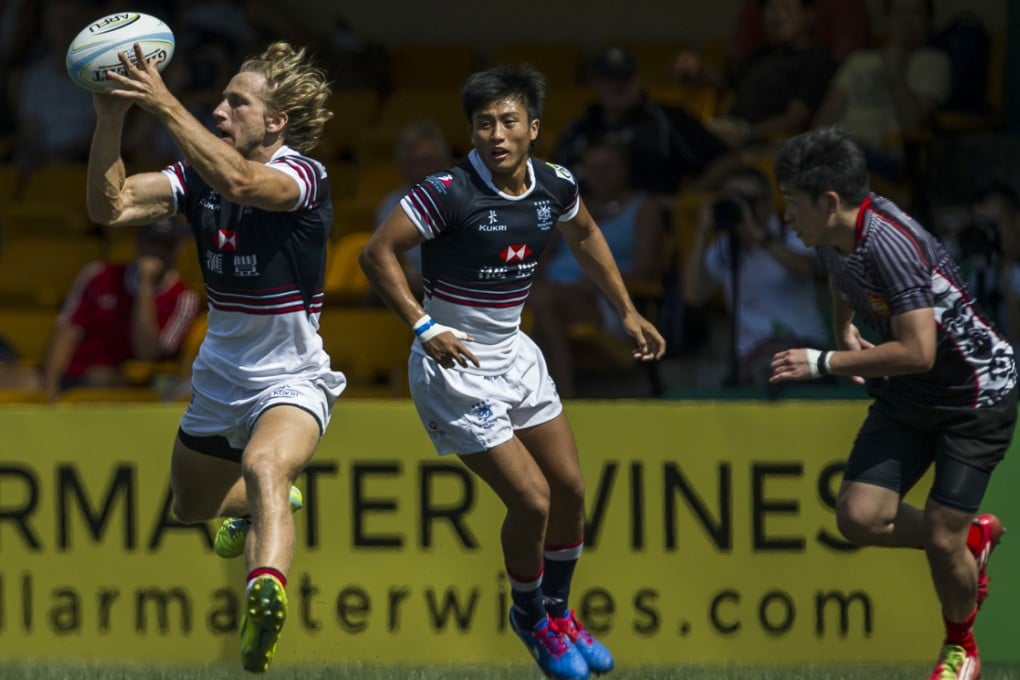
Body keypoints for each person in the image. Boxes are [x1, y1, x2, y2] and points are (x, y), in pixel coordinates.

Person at [359, 64, 665, 679]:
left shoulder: (554, 184)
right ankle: (528, 615)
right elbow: (376, 253)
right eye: (482, 123)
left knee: (572, 491)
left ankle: (557, 610)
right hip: (455, 363)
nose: (495, 134)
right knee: (532, 499)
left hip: (516, 354)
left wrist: (626, 311)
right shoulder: (448, 190)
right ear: (470, 131)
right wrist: (425, 326)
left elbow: (585, 235)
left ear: (533, 127)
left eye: (507, 121)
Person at [85, 41, 344, 673]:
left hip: (293, 378)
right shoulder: (192, 177)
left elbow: (241, 180)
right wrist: (112, 118)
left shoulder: (303, 175)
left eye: (237, 101)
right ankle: (267, 503)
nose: (221, 110)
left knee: (264, 465)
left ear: (275, 121)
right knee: (191, 507)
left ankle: (266, 594)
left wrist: (165, 102)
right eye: (222, 99)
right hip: (220, 380)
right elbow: (108, 206)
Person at [769, 127, 1016, 680]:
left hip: (975, 396)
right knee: (859, 517)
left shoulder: (890, 244)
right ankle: (971, 537)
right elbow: (842, 277)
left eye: (791, 203)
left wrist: (824, 363)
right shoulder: (838, 233)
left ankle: (962, 649)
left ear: (828, 202)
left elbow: (919, 350)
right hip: (912, 393)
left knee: (939, 536)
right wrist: (844, 331)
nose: (785, 216)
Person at [529, 134, 666, 398]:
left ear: (624, 170)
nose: (600, 175)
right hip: (553, 295)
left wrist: (595, 282)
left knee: (542, 299)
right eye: (593, 169)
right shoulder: (571, 206)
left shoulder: (643, 207)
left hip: (608, 302)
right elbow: (539, 261)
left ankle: (562, 398)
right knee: (523, 297)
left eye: (608, 168)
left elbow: (647, 268)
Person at [683, 164, 827, 388]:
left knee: (776, 367)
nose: (739, 207)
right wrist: (702, 232)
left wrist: (760, 236)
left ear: (767, 203)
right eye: (732, 199)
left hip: (802, 347)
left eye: (746, 200)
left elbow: (806, 269)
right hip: (750, 357)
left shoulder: (792, 234)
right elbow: (694, 294)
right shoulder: (724, 246)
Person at [41, 218, 201, 401]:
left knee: (99, 378)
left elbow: (148, 353)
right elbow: (67, 332)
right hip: (71, 373)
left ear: (177, 250)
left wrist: (145, 286)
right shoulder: (99, 274)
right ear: (138, 243)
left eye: (165, 245)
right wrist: (50, 390)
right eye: (152, 243)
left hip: (124, 385)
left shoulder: (184, 298)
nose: (157, 251)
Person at [552, 45, 728, 199]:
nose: (616, 84)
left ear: (639, 79)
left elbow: (725, 160)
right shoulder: (577, 130)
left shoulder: (667, 120)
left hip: (655, 227)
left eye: (625, 76)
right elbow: (552, 183)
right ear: (594, 82)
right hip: (588, 226)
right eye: (608, 76)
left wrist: (687, 199)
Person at [812, 0, 951, 180]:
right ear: (887, 20)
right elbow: (824, 117)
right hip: (837, 147)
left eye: (915, 13)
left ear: (928, 21)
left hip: (884, 156)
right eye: (898, 13)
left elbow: (912, 124)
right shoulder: (859, 60)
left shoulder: (934, 62)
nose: (905, 21)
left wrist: (895, 72)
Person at [675, 0, 838, 152]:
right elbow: (727, 86)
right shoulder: (763, 55)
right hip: (730, 128)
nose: (778, 16)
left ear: (808, 16)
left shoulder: (816, 61)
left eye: (787, 7)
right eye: (771, 8)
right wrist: (699, 70)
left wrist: (748, 133)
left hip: (765, 142)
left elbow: (796, 117)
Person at [373, 118, 453, 298]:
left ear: (443, 161)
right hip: (408, 289)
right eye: (413, 164)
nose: (420, 171)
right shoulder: (390, 205)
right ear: (401, 166)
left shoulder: (463, 196)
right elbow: (386, 259)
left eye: (427, 162)